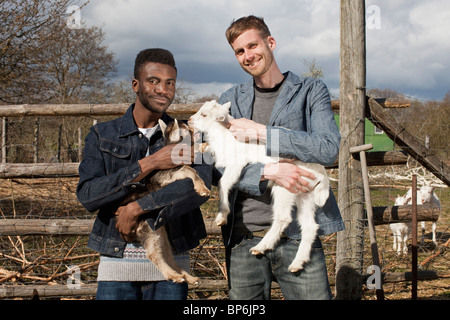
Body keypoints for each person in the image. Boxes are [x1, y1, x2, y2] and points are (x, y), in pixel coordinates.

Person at [218, 15, 344, 300]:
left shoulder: (311, 91)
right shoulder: (231, 99)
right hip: (243, 236)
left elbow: (327, 148)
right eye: (240, 51)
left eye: (253, 45)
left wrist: (263, 132)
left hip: (297, 235)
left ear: (270, 42)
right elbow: (217, 164)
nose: (248, 56)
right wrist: (267, 172)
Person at [76, 48, 212, 300]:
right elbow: (88, 195)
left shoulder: (194, 135)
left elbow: (199, 190)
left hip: (172, 270)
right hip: (116, 268)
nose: (163, 89)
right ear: (136, 85)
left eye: (169, 83)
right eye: (154, 81)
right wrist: (149, 163)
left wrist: (135, 208)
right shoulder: (102, 135)